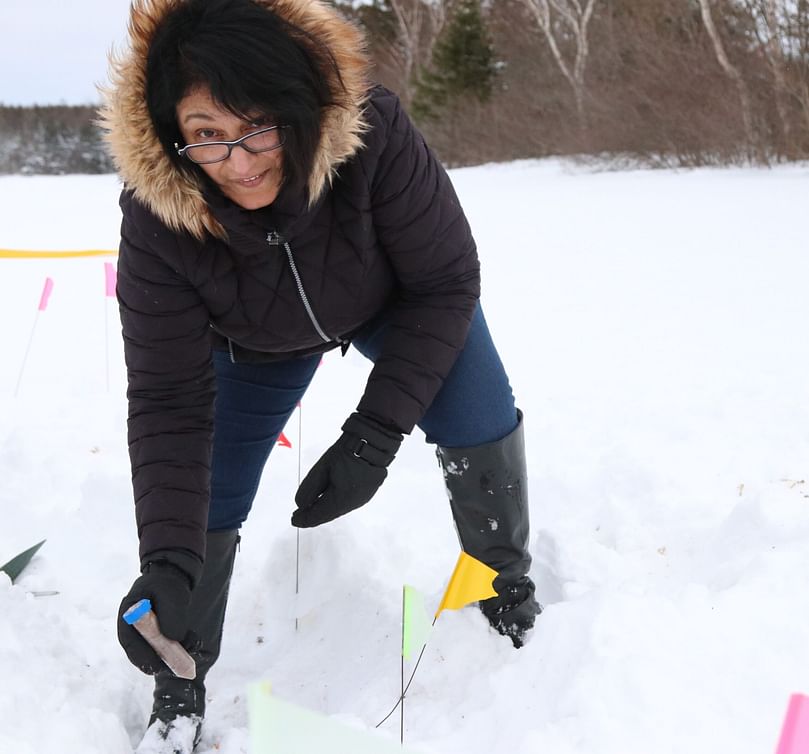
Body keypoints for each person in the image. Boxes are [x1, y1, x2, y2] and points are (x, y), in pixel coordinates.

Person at [100, 0, 540, 749]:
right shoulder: (158, 217)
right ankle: (179, 678)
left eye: (259, 126)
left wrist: (373, 435)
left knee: (478, 415)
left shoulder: (372, 134)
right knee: (206, 495)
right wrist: (167, 562)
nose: (239, 163)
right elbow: (170, 401)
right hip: (249, 347)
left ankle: (506, 591)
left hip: (393, 304)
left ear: (300, 107)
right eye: (207, 136)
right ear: (173, 135)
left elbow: (445, 281)